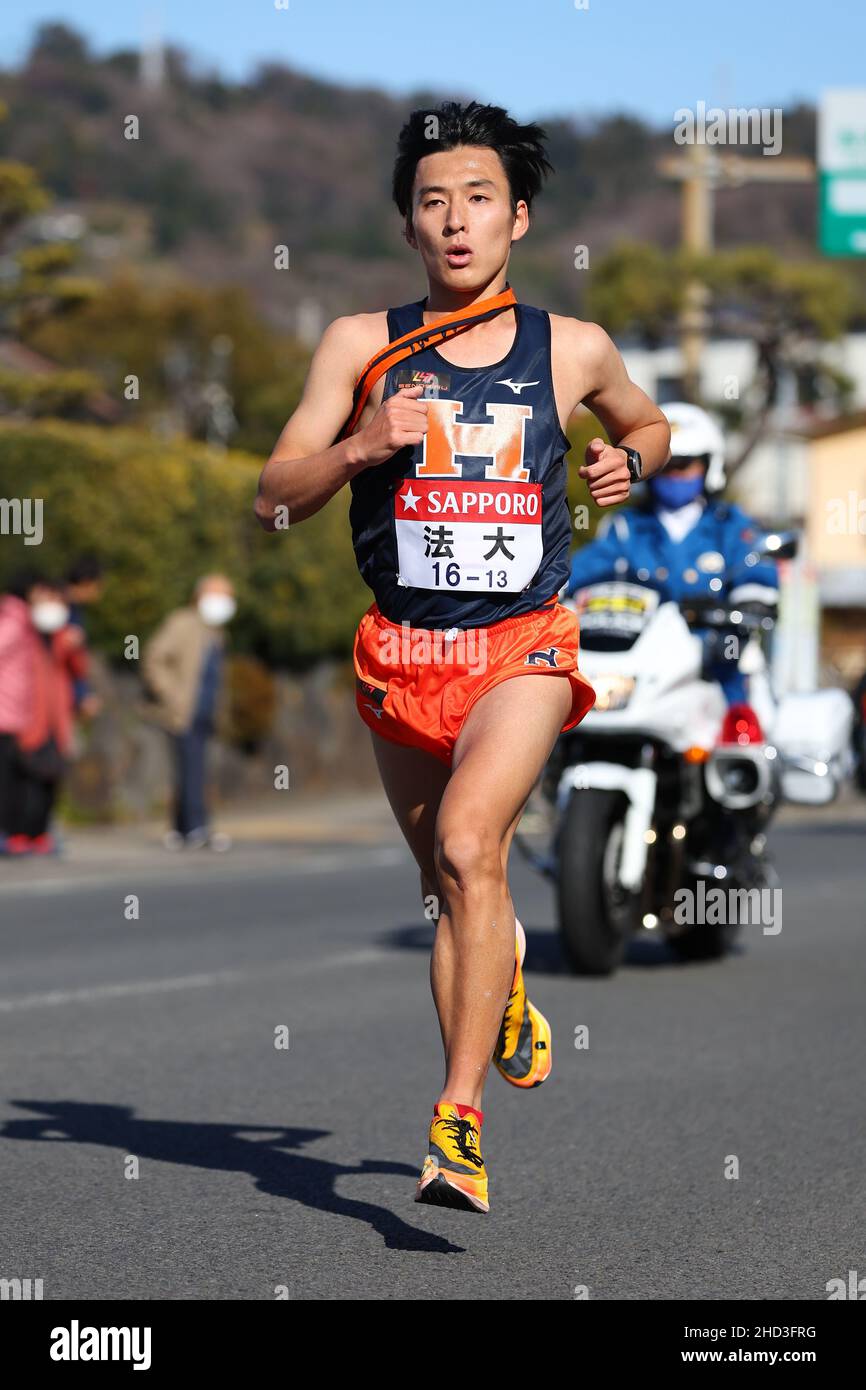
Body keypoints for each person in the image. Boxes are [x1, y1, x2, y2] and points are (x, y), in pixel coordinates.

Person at [255, 100, 670, 1213]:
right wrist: (358, 444)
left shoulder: (569, 346)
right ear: (407, 226)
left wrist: (627, 460)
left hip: (522, 640)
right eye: (432, 201)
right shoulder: (358, 344)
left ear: (517, 218)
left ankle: (457, 1119)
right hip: (402, 647)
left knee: (467, 839)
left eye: (477, 198)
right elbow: (271, 499)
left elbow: (648, 422)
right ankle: (507, 974)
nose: (455, 220)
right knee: (451, 888)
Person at [566, 402, 780, 705]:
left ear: (708, 466)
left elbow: (754, 569)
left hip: (717, 665)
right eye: (665, 465)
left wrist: (752, 602)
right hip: (643, 668)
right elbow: (583, 570)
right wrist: (550, 588)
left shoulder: (730, 525)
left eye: (685, 464)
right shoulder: (626, 527)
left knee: (744, 737)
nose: (674, 474)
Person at [141, 575, 236, 851]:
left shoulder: (217, 631)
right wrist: (171, 695)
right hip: (183, 712)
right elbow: (154, 657)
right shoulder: (182, 623)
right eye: (218, 594)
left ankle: (183, 829)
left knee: (195, 770)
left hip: (205, 712)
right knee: (191, 770)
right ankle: (195, 829)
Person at [0, 572, 87, 855]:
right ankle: (17, 834)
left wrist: (74, 646)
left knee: (48, 780)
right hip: (24, 719)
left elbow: (79, 672)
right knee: (21, 780)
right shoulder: (22, 628)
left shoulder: (62, 636)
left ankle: (39, 834)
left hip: (55, 721)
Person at [65, 555, 105, 720]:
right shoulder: (62, 613)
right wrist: (82, 696)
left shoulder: (75, 611)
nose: (99, 594)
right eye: (98, 587)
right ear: (86, 582)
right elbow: (69, 659)